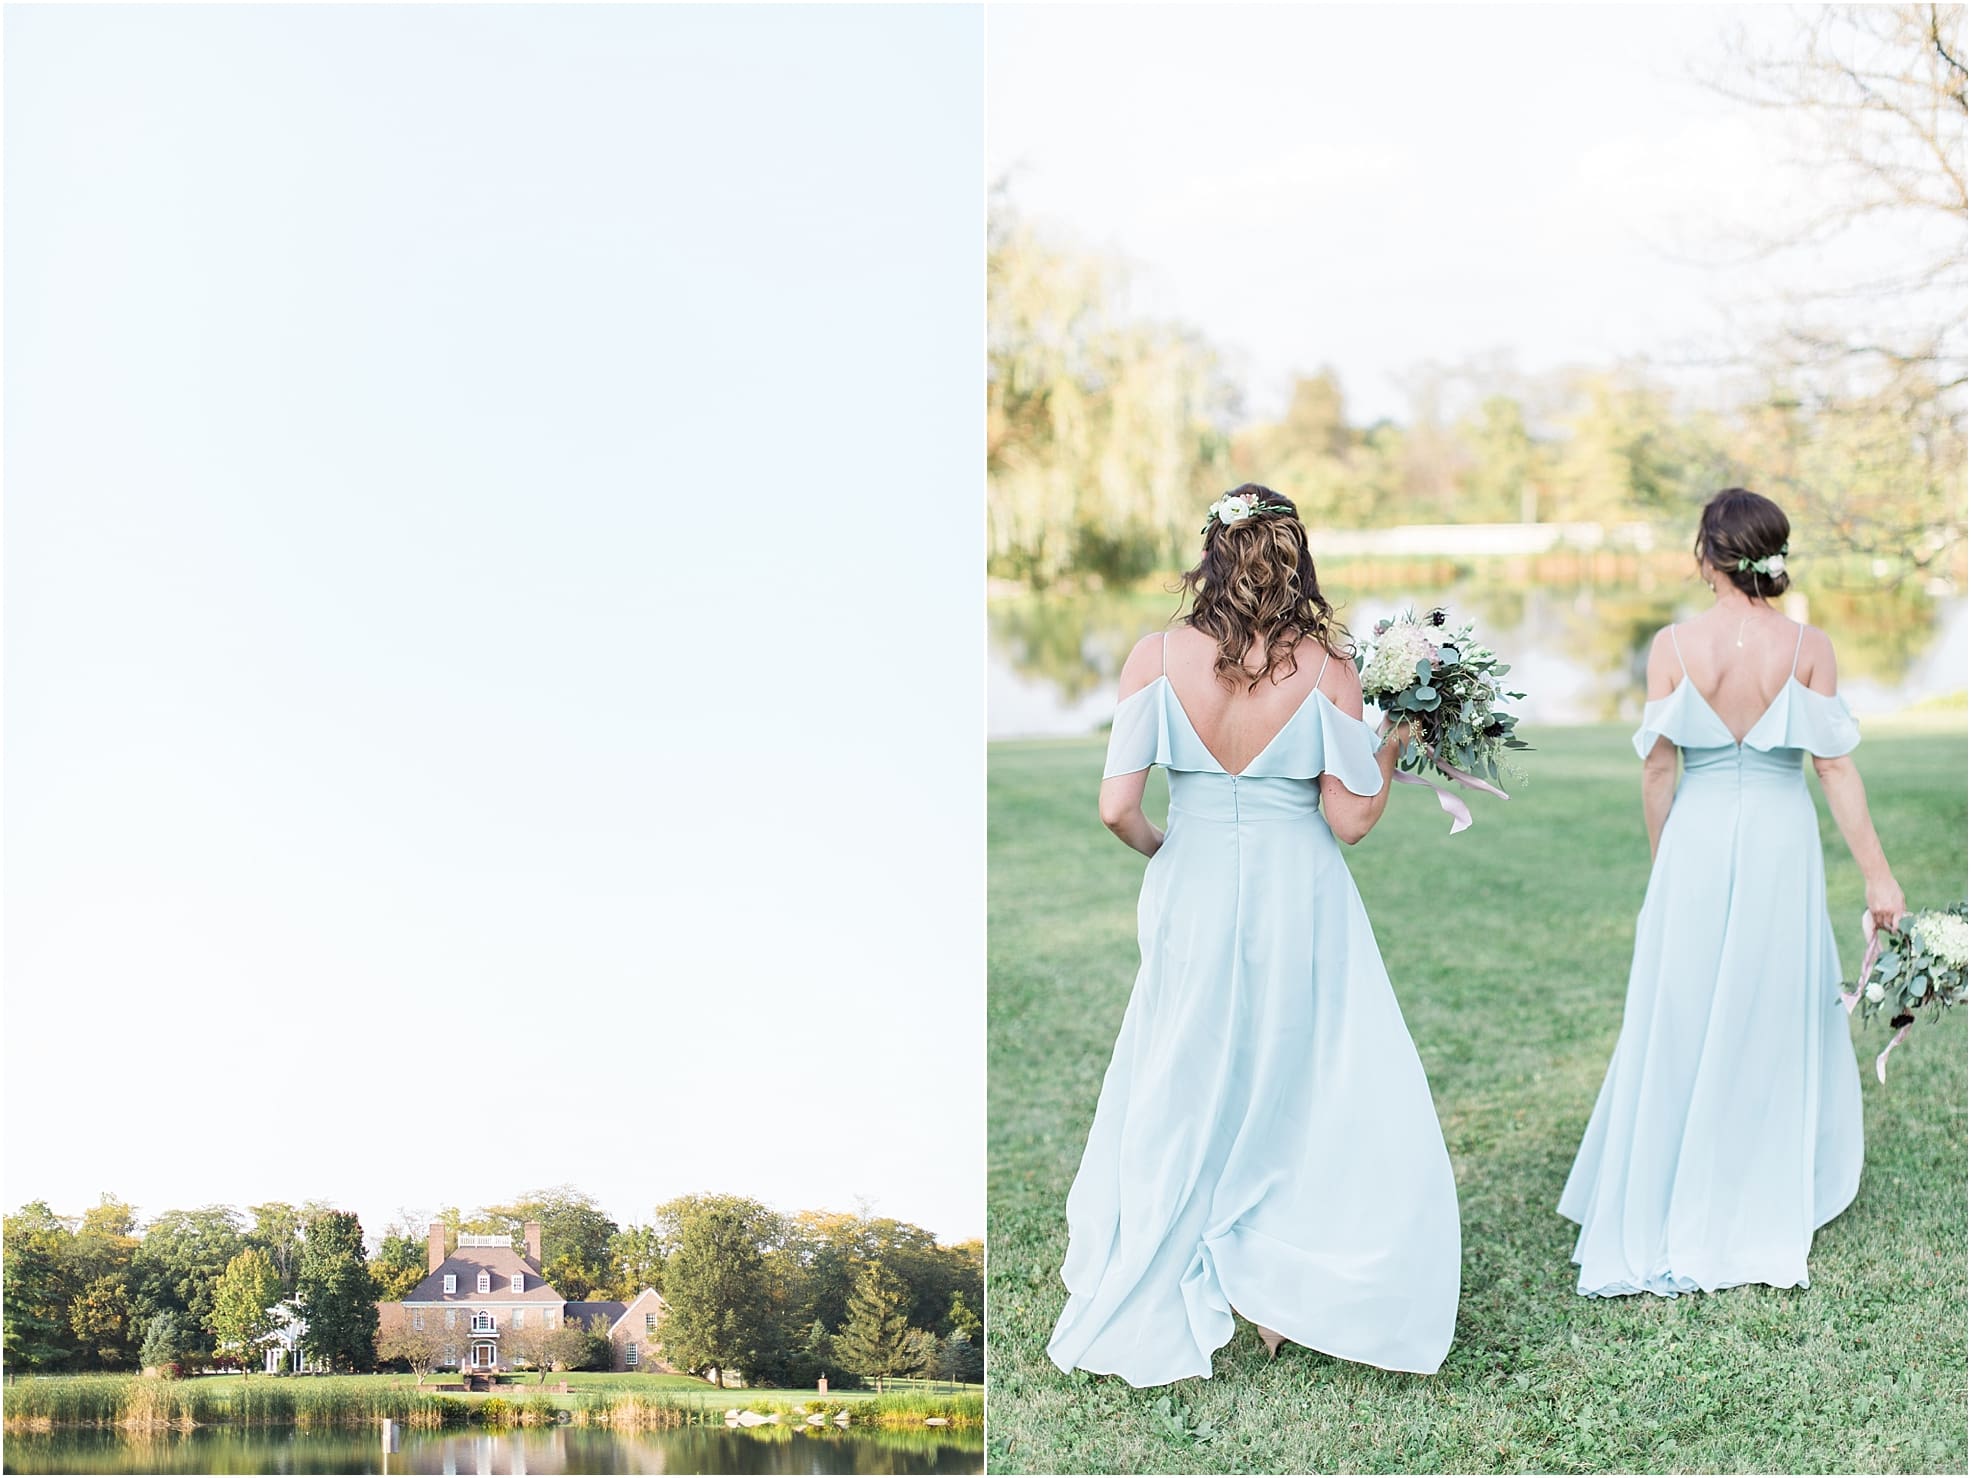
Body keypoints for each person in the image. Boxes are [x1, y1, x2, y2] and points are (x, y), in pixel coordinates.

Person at [1045, 485, 1461, 1386]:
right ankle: (1276, 1286)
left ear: (1210, 557)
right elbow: (1349, 821)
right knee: (1297, 1070)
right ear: (1295, 564)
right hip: (1295, 888)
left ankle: (1177, 1252)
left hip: (1191, 882)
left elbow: (1118, 808)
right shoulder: (1327, 670)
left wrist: (1169, 855)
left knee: (1185, 1070)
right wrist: (1390, 741)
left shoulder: (1153, 658)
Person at [1559, 487, 1903, 1296]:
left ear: (1705, 557)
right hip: (1781, 838)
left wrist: (1664, 865)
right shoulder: (1806, 644)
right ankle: (1756, 1169)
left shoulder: (1672, 645)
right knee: (1768, 998)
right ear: (1770, 556)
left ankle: (1677, 1172)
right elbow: (1834, 766)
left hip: (1698, 839)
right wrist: (1876, 872)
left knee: (1683, 1003)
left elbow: (1656, 769)